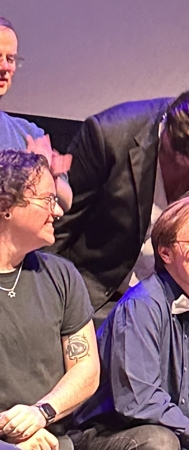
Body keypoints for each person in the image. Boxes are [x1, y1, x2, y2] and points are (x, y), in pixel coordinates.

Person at [51, 90, 189, 323]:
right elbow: (61, 226)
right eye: (184, 165)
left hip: (188, 306)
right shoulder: (109, 136)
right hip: (106, 301)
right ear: (168, 135)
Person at [71, 193, 189, 450]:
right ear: (165, 253)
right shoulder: (140, 306)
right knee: (161, 443)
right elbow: (138, 400)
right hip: (108, 433)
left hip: (183, 436)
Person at [0, 150, 99, 450]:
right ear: (6, 206)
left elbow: (86, 368)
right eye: (47, 200)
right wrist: (11, 433)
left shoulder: (61, 275)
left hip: (52, 437)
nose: (57, 212)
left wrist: (40, 413)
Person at [0, 17, 72, 211]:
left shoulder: (27, 133)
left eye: (11, 59)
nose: (5, 67)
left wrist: (50, 175)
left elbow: (66, 201)